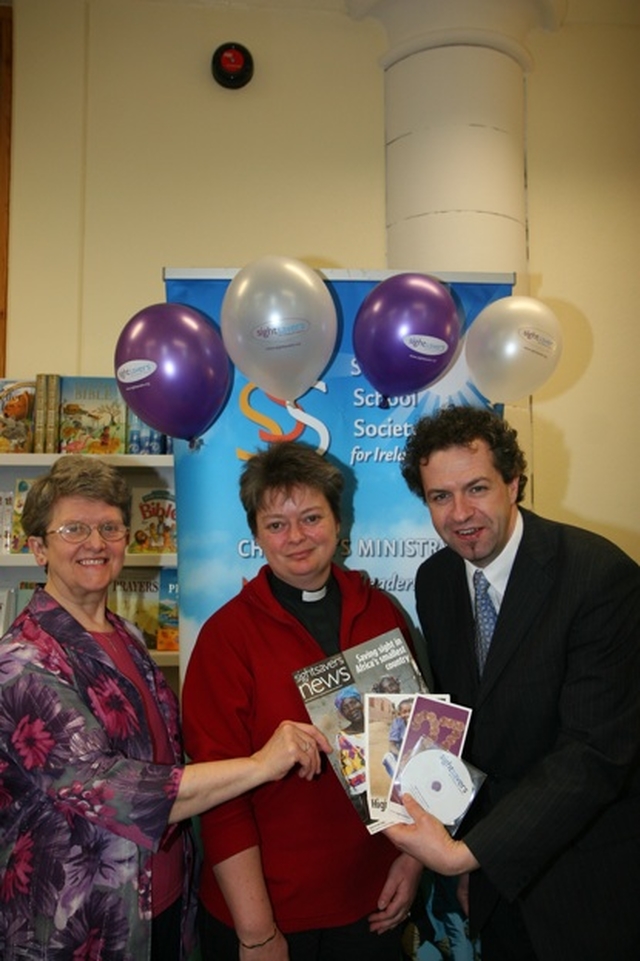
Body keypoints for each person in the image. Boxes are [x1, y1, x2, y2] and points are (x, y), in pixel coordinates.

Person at [0, 455, 330, 961]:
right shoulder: (23, 661)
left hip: (164, 904)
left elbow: (169, 756)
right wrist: (260, 765)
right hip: (81, 926)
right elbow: (109, 791)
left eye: (110, 527)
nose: (95, 543)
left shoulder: (127, 636)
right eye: (74, 529)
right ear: (38, 547)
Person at [384, 404, 640, 961]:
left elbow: (594, 754)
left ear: (515, 482)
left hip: (587, 883)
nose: (461, 514)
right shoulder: (436, 580)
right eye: (439, 497)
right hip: (496, 886)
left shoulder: (600, 577)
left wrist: (468, 852)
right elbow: (462, 721)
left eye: (477, 488)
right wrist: (473, 855)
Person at [182, 441, 423, 961]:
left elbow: (412, 756)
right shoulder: (226, 638)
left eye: (311, 517)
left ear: (339, 522)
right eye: (275, 524)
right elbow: (220, 797)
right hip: (268, 915)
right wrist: (257, 932)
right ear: (255, 536)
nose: (295, 537)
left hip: (372, 903)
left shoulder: (382, 614)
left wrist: (413, 860)